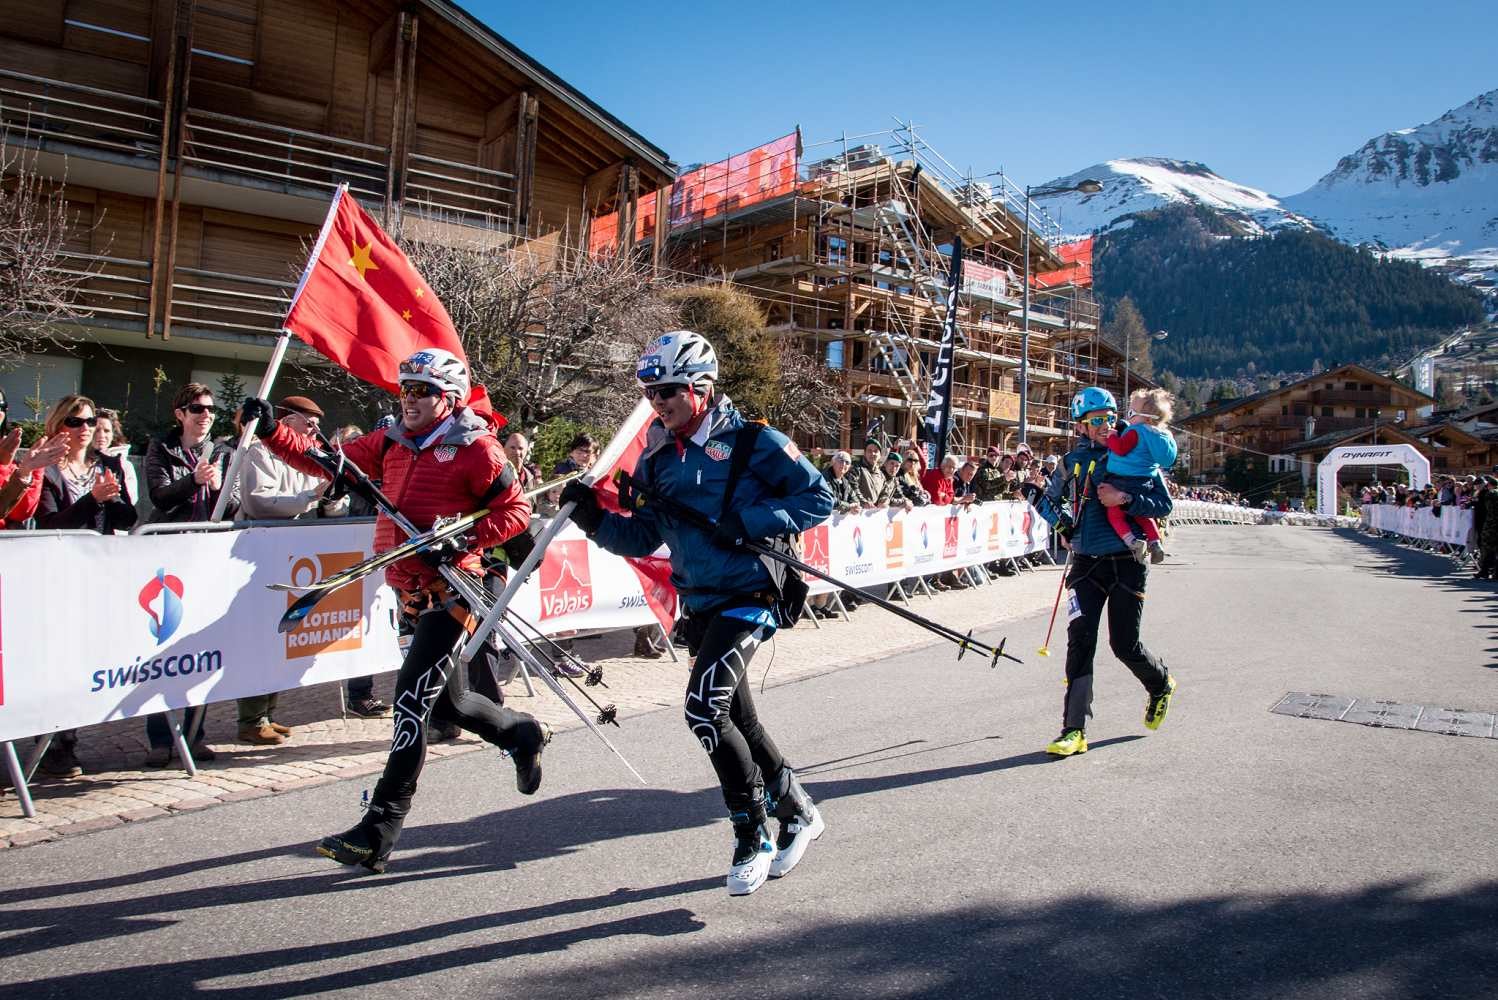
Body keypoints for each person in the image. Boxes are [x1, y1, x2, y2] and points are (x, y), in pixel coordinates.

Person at [239, 347, 547, 873]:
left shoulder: (477, 447)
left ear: (448, 398)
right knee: (447, 706)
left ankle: (377, 830)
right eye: (405, 389)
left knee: (409, 706)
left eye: (422, 390)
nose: (410, 399)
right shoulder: (391, 441)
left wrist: (461, 535)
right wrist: (272, 432)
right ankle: (519, 732)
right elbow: (325, 461)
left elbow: (516, 511)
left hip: (455, 589)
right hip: (408, 591)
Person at [562, 330, 833, 896]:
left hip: (750, 595)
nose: (657, 403)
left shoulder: (754, 441)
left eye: (668, 392)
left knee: (704, 710)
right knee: (740, 720)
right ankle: (798, 810)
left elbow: (819, 498)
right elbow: (642, 535)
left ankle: (751, 830)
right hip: (700, 600)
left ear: (702, 388)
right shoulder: (659, 454)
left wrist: (751, 521)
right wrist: (591, 519)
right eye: (651, 393)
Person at [1037, 386, 1177, 758]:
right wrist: (1064, 528)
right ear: (1081, 427)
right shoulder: (1071, 461)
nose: (1104, 426)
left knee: (1124, 645)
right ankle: (1073, 729)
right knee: (1080, 642)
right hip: (1085, 564)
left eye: (1109, 419)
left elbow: (1164, 505)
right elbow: (1049, 502)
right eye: (1095, 421)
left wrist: (1124, 498)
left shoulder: (1136, 452)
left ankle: (1160, 683)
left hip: (1127, 562)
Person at [30, 395, 137, 778]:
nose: (84, 429)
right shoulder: (47, 467)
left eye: (90, 421)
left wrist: (113, 496)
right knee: (58, 660)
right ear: (59, 424)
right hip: (58, 572)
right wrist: (92, 500)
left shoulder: (105, 464)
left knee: (85, 659)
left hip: (98, 572)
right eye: (75, 422)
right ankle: (55, 743)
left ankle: (69, 738)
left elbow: (129, 516)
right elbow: (49, 522)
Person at [142, 383, 238, 767]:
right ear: (180, 413)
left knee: (203, 649)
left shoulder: (222, 452)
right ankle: (160, 739)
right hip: (168, 560)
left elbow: (230, 508)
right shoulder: (161, 448)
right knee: (162, 649)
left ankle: (195, 732)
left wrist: (217, 490)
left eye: (211, 410)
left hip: (205, 558)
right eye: (197, 409)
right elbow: (160, 497)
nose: (206, 415)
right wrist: (193, 481)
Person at [1103, 388, 1179, 565]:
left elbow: (1121, 448)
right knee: (1143, 516)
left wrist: (1112, 436)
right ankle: (1155, 542)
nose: (1128, 417)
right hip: (1145, 482)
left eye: (1131, 413)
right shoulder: (1161, 436)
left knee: (1114, 514)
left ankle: (1133, 542)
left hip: (1122, 479)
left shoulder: (1135, 431)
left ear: (1145, 417)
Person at [91, 408, 137, 508]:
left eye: (106, 431)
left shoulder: (124, 465)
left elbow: (131, 501)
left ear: (113, 434)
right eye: (96, 430)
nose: (101, 435)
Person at [851, 439, 898, 508]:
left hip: (874, 514)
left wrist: (884, 500)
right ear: (864, 453)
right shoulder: (856, 469)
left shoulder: (881, 475)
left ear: (880, 455)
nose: (872, 454)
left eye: (876, 451)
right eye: (869, 451)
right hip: (858, 512)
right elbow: (853, 489)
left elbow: (885, 493)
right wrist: (863, 502)